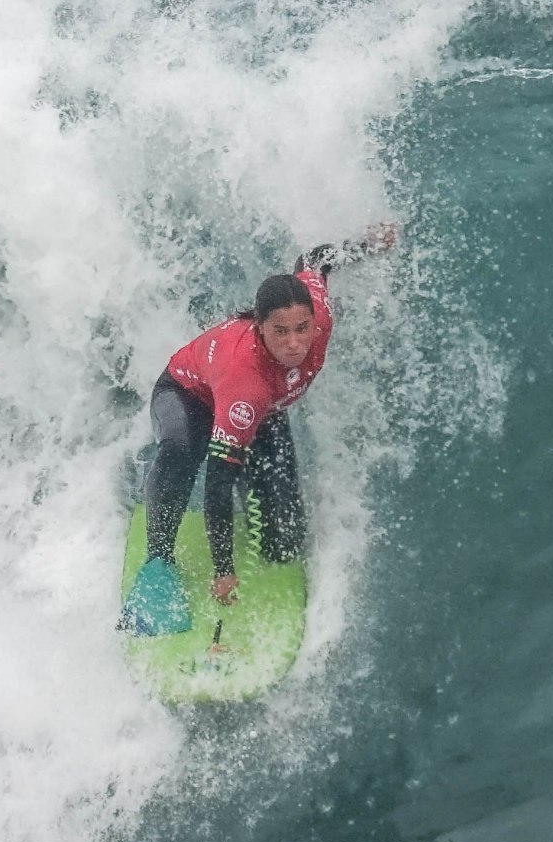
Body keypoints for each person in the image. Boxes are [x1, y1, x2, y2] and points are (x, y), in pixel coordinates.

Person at [121, 221, 398, 636]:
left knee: (284, 542)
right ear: (260, 328)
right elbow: (217, 480)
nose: (294, 344)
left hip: (261, 410)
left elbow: (314, 262)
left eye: (302, 329)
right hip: (188, 394)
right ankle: (158, 561)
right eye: (280, 333)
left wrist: (364, 246)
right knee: (182, 451)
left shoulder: (318, 314)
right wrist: (223, 570)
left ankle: (260, 517)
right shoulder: (244, 383)